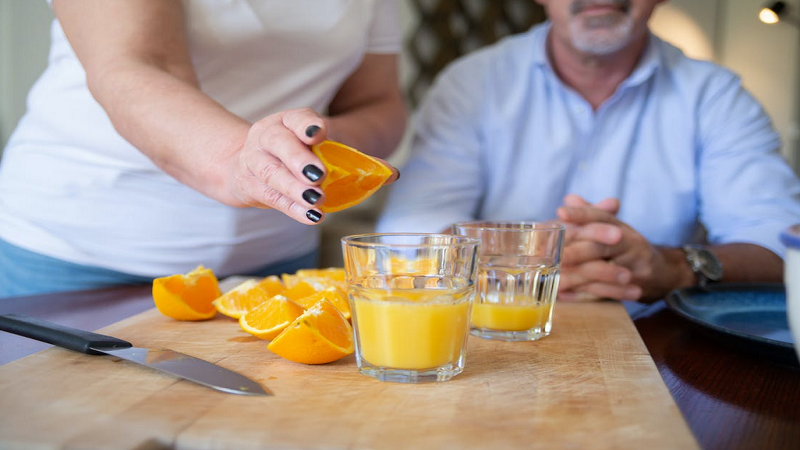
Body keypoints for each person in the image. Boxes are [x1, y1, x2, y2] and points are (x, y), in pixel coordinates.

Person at [376, 0, 800, 302]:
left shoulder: (716, 96)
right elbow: (408, 232)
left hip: (664, 349)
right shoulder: (470, 83)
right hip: (490, 339)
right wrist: (521, 255)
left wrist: (673, 266)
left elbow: (780, 246)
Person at [0, 0, 405, 298]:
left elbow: (376, 101)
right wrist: (244, 162)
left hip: (273, 260)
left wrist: (305, 143)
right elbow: (136, 66)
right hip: (73, 256)